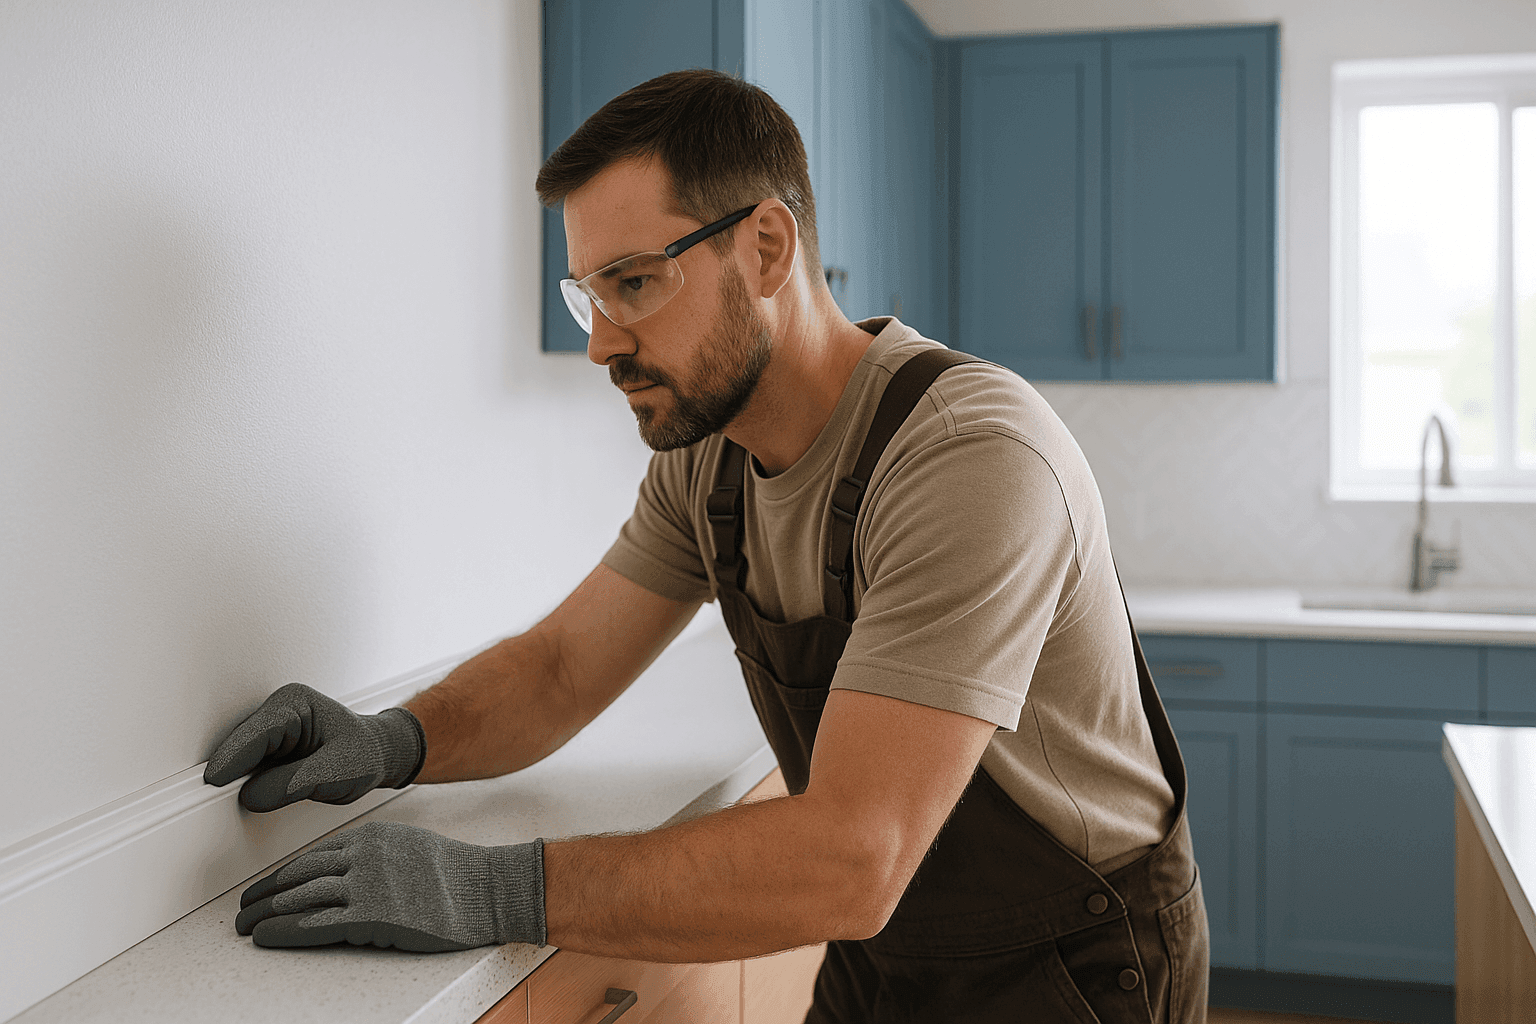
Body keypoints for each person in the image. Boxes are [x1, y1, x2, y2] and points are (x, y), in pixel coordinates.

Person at [205, 69, 1208, 1023]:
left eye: (633, 282)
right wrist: (393, 740)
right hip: (890, 947)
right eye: (588, 293)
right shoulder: (710, 460)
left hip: (1070, 965)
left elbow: (856, 854)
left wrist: (492, 887)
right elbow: (559, 669)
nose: (602, 340)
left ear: (766, 248)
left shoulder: (965, 456)